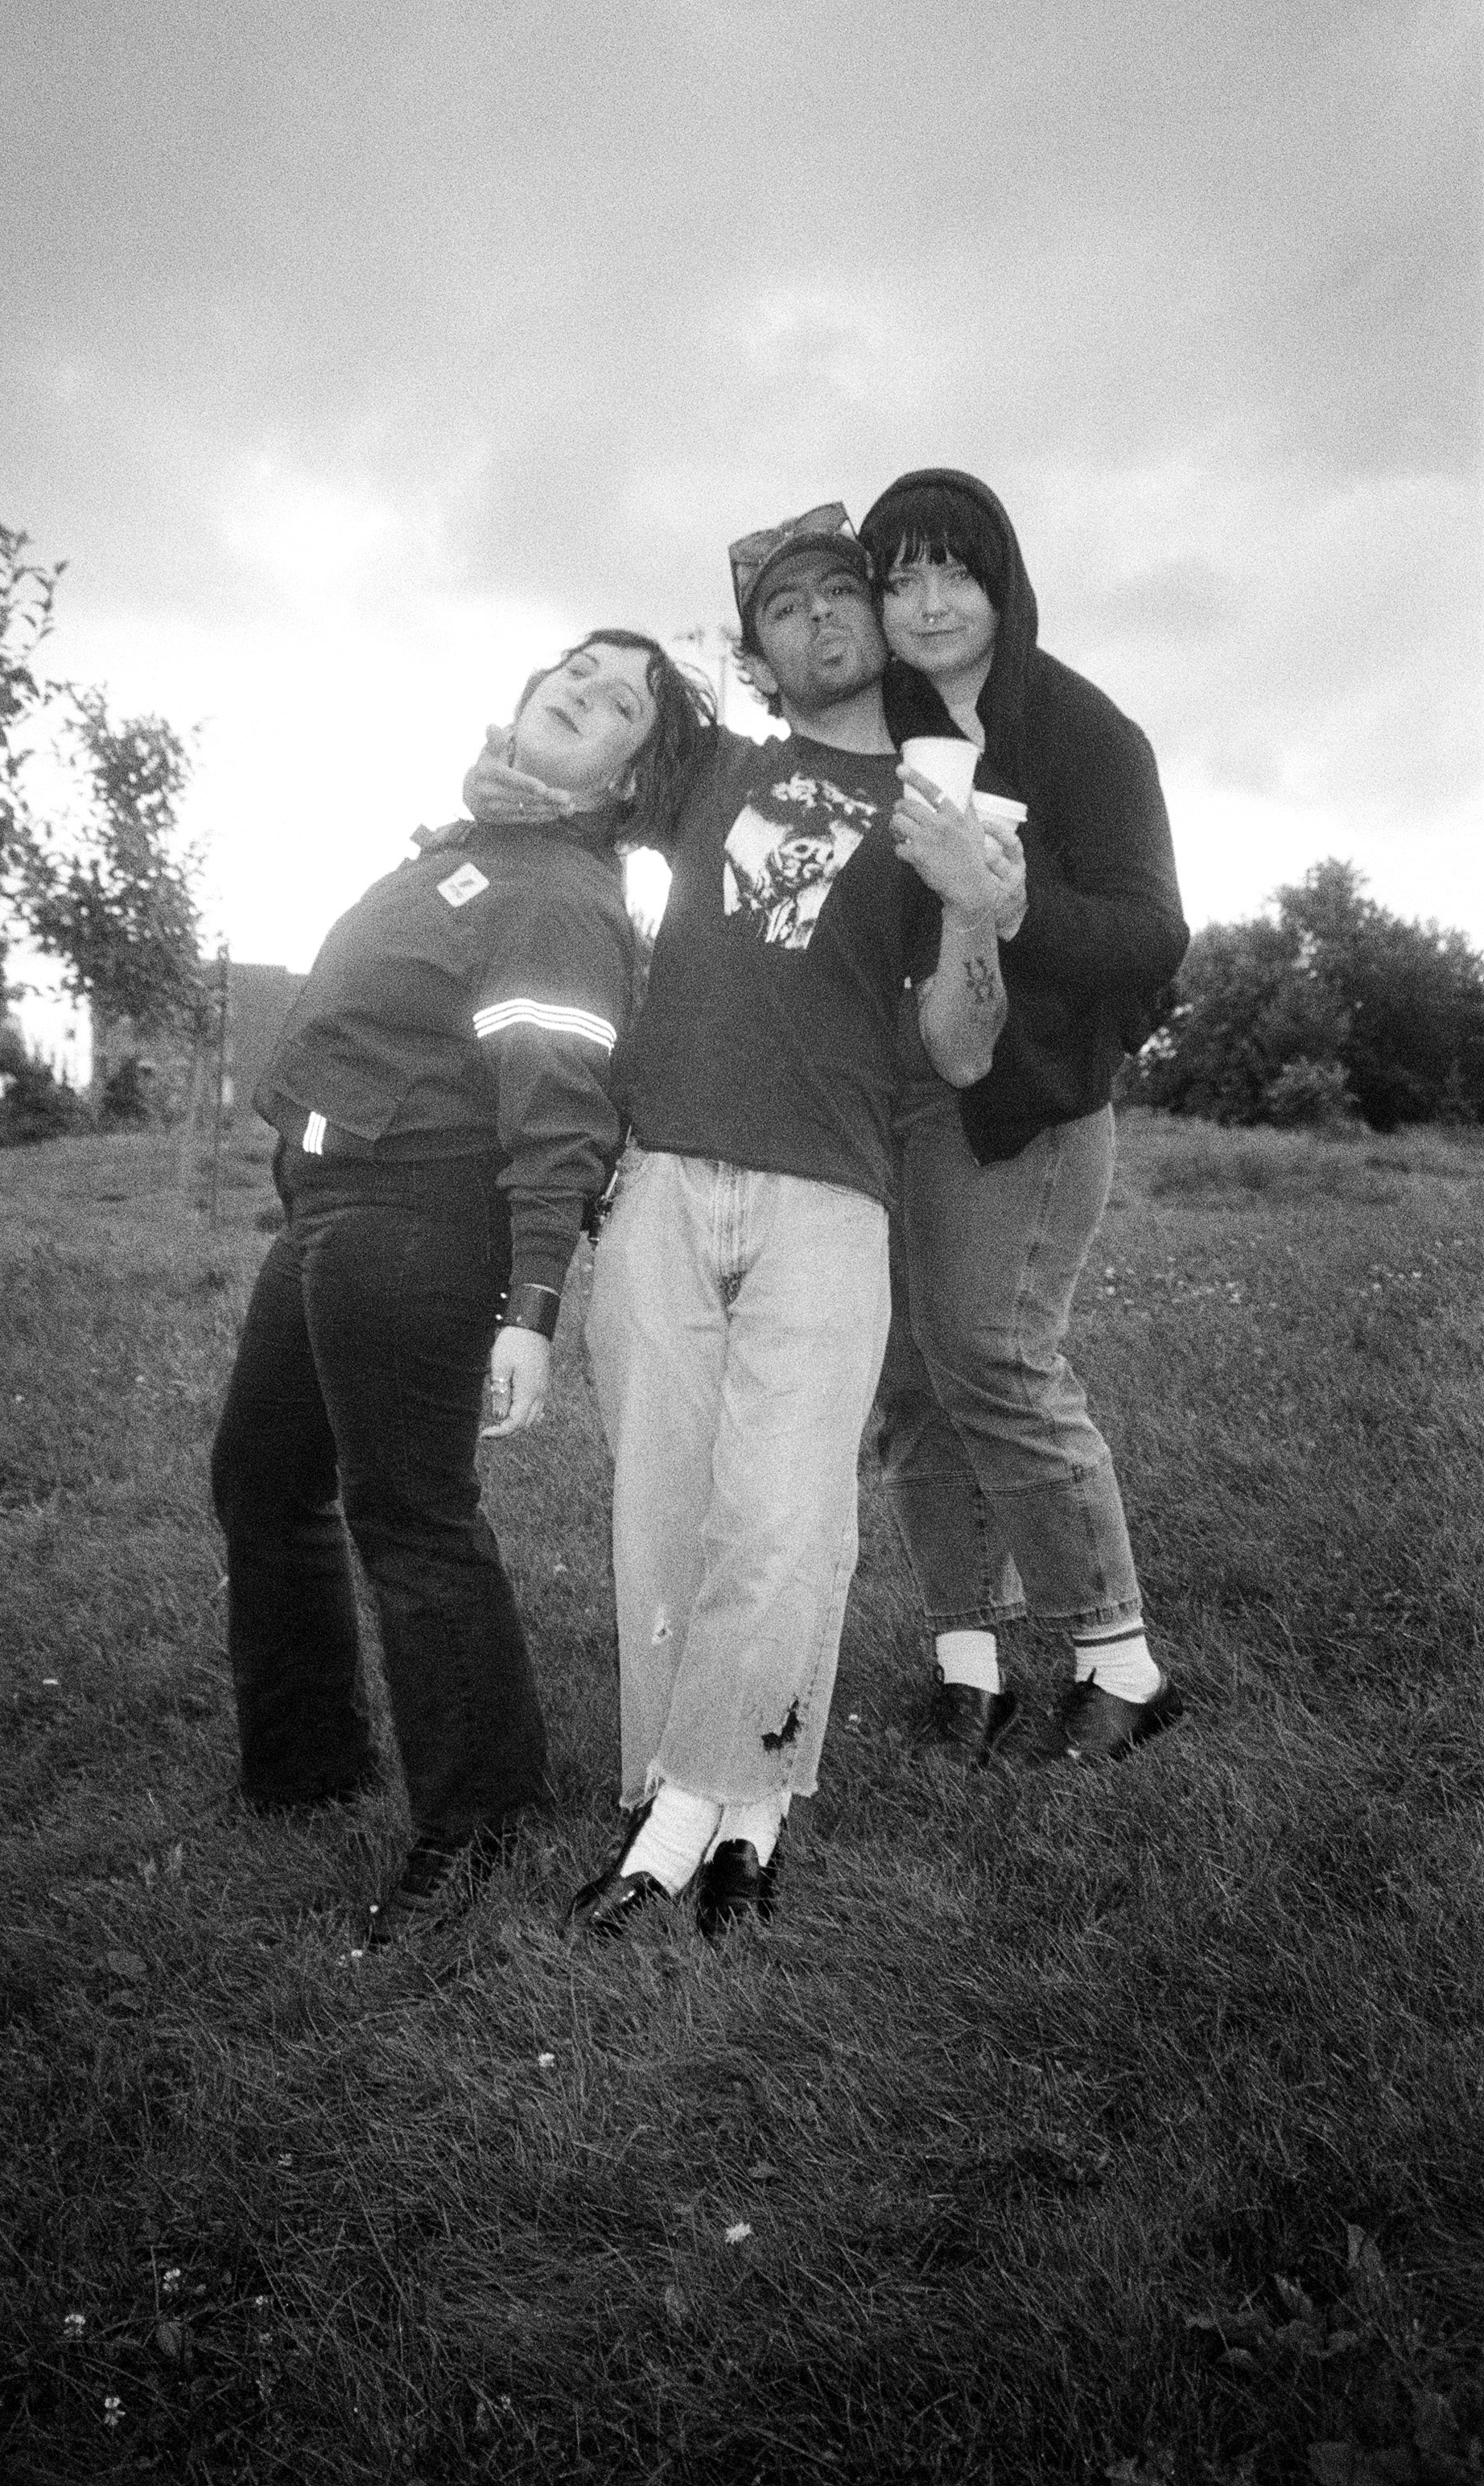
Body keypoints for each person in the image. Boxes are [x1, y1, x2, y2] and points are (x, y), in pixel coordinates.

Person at [472, 505, 1024, 1938]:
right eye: (784, 606)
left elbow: (963, 1050)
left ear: (878, 620)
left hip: (830, 1194)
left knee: (785, 1514)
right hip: (659, 1177)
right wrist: (507, 761)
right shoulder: (717, 766)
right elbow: (576, 769)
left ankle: (719, 1810)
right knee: (663, 1512)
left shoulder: (936, 800)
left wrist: (972, 906)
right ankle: (697, 1801)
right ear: (758, 654)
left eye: (841, 592)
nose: (820, 617)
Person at [210, 631, 715, 1923]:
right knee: (264, 1478)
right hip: (329, 1200)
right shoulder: (479, 842)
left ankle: (483, 1814)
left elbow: (562, 1116)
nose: (583, 689)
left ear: (628, 779)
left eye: (621, 701)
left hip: (417, 1215)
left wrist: (533, 1305)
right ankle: (306, 1768)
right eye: (579, 668)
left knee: (411, 1514)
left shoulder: (556, 893)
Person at [857, 468, 1191, 1767]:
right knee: (911, 1377)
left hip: (1026, 1102)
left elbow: (1153, 935)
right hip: (880, 1097)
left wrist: (1011, 903)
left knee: (992, 1354)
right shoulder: (872, 725)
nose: (930, 603)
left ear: (1002, 579)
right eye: (899, 578)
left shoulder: (1083, 732)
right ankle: (969, 1665)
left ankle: (1122, 1663)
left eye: (955, 570)